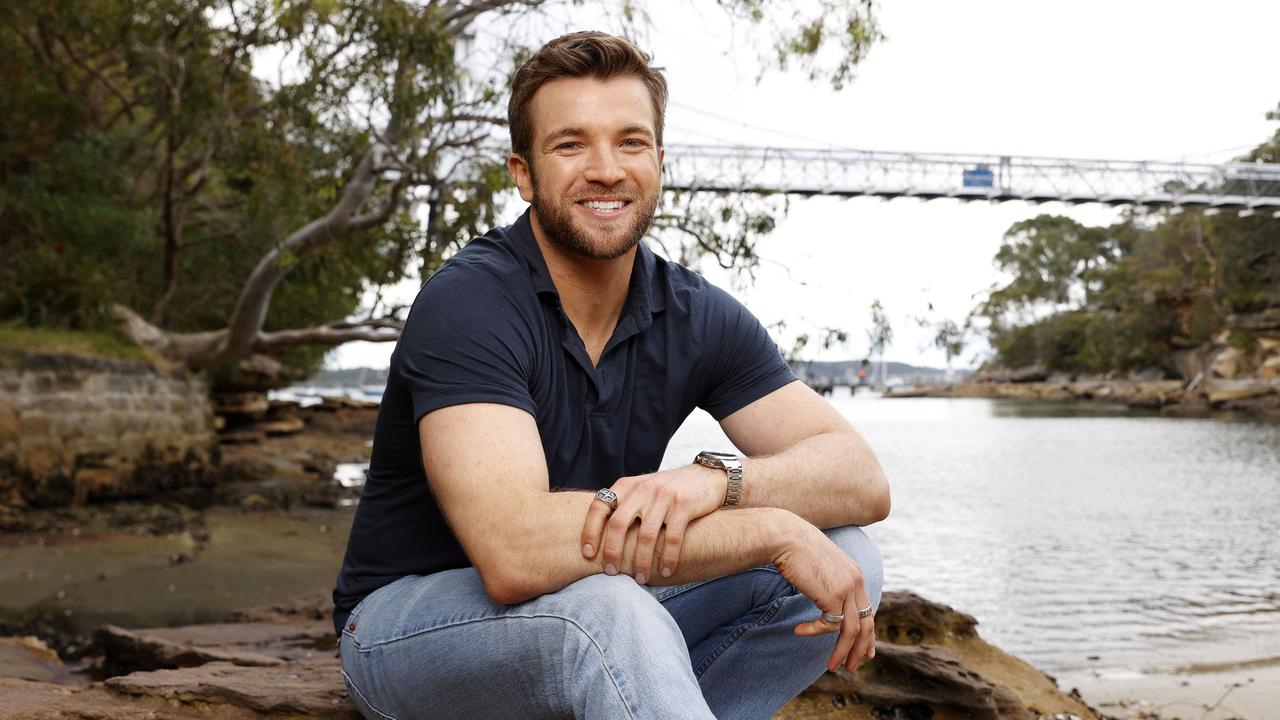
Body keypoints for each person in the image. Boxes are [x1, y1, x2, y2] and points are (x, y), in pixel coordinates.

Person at [333, 31, 890, 720]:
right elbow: (514, 551)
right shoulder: (470, 302)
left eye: (630, 142)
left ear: (658, 162)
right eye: (571, 145)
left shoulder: (693, 311)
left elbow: (860, 478)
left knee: (848, 556)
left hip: (585, 600)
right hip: (409, 630)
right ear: (523, 173)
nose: (606, 169)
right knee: (608, 608)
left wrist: (715, 481)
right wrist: (771, 530)